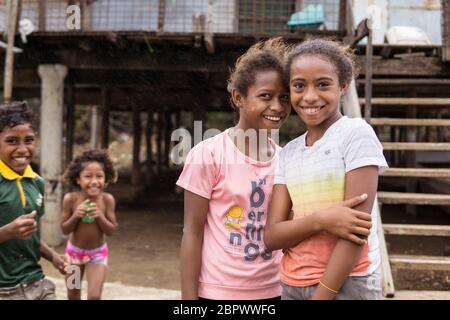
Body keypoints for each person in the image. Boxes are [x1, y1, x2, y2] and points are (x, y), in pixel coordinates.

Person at [176, 38, 373, 300]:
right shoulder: (208, 154)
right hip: (219, 292)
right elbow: (192, 232)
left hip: (277, 288)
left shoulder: (287, 158)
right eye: (265, 97)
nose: (277, 107)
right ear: (238, 97)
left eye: (284, 98)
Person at [265, 38, 388, 300]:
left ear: (343, 86)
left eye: (323, 84)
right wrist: (321, 220)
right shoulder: (289, 152)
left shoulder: (355, 134)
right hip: (291, 284)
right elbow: (273, 236)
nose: (310, 96)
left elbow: (355, 230)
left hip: (346, 284)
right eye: (299, 86)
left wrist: (323, 295)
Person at [0, 101, 68, 300]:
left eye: (29, 140)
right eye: (12, 141)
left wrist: (54, 257)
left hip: (37, 284)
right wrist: (7, 232)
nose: (22, 149)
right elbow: (14, 232)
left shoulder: (36, 182)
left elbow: (31, 236)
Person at [61, 149, 118, 300]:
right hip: (74, 255)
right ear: (78, 179)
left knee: (94, 296)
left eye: (99, 176)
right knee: (73, 295)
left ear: (106, 179)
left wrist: (100, 216)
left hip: (97, 255)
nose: (94, 181)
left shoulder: (107, 200)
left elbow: (111, 230)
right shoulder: (70, 199)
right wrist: (75, 216)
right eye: (88, 176)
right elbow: (65, 229)